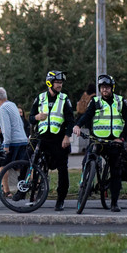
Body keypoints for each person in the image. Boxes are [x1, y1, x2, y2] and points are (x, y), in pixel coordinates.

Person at [73, 74, 127, 212]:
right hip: (98, 140)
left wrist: (122, 137)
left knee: (116, 171)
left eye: (107, 87)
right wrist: (77, 125)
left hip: (115, 142)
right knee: (87, 159)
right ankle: (85, 184)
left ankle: (114, 202)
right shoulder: (95, 102)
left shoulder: (120, 102)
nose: (104, 90)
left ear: (112, 88)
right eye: (102, 88)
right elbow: (86, 116)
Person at [29, 70, 74, 211]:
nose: (60, 85)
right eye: (57, 82)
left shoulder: (64, 99)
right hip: (42, 138)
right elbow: (30, 118)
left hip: (59, 139)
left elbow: (71, 121)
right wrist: (37, 117)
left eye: (61, 82)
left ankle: (60, 200)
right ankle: (29, 192)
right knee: (32, 161)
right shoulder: (40, 98)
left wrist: (67, 136)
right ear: (50, 83)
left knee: (62, 170)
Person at [0, 87, 29, 196]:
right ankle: (26, 187)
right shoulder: (12, 105)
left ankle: (6, 191)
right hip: (22, 139)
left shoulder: (3, 108)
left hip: (13, 141)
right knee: (21, 166)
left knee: (4, 166)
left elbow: (6, 128)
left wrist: (6, 144)